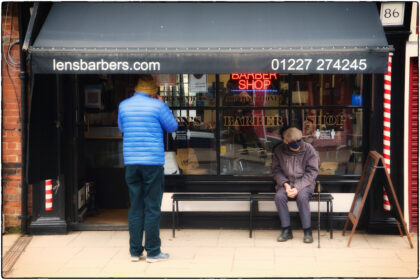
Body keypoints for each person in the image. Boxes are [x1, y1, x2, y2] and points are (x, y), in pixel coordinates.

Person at [118, 75, 178, 262]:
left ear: (136, 89)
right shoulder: (157, 106)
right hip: (152, 162)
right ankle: (153, 251)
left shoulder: (123, 106)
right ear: (153, 91)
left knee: (135, 207)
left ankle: (135, 251)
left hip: (131, 162)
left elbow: (122, 128)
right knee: (152, 207)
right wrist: (163, 104)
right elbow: (172, 126)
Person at [272, 127, 318, 243]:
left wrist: (297, 187)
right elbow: (276, 171)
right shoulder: (278, 150)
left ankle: (307, 231)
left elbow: (312, 171)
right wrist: (286, 185)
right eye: (293, 142)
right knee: (279, 197)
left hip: (305, 184)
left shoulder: (309, 149)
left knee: (302, 197)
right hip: (286, 183)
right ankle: (286, 230)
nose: (297, 144)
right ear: (286, 141)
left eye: (299, 140)